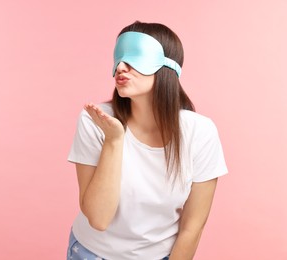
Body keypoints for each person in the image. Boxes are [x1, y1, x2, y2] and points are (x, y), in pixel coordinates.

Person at [66, 21, 228, 260]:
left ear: (166, 66)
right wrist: (113, 141)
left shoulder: (200, 132)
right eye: (118, 57)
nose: (120, 66)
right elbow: (98, 219)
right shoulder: (96, 120)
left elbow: (192, 228)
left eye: (134, 57)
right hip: (91, 253)